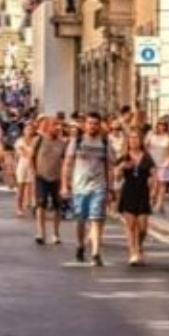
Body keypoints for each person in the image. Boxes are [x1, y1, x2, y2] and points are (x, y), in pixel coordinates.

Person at [63, 111, 114, 266]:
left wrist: (110, 188)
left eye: (95, 124)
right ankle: (80, 245)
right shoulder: (77, 141)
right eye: (90, 123)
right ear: (85, 125)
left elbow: (110, 166)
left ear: (100, 126)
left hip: (98, 186)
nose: (93, 126)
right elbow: (67, 163)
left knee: (96, 219)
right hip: (79, 187)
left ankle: (96, 253)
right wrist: (64, 185)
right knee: (80, 220)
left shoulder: (105, 143)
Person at [114, 125, 158, 266]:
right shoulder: (124, 157)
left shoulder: (146, 156)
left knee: (143, 227)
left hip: (143, 192)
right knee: (131, 225)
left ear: (141, 141)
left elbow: (153, 174)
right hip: (129, 192)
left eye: (136, 138)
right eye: (131, 138)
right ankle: (133, 251)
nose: (133, 141)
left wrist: (154, 191)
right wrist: (121, 168)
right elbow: (117, 178)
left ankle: (139, 245)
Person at [30, 116, 68, 246]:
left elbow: (65, 162)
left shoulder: (62, 143)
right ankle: (41, 232)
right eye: (54, 125)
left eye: (58, 125)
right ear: (47, 127)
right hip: (41, 176)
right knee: (41, 204)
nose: (57, 128)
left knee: (58, 206)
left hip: (56, 178)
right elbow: (31, 157)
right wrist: (34, 173)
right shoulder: (39, 140)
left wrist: (66, 180)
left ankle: (56, 233)